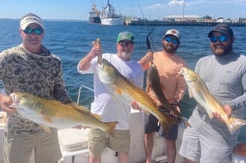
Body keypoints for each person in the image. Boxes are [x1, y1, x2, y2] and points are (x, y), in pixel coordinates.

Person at [0, 13, 71, 163]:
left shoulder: (54, 61)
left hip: (48, 127)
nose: (33, 35)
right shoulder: (7, 58)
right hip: (18, 130)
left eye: (37, 31)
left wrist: (75, 115)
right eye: (29, 30)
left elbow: (60, 92)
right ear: (21, 32)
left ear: (43, 33)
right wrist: (1, 98)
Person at [179, 24, 246, 163]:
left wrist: (231, 106)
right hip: (196, 121)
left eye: (223, 37)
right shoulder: (202, 62)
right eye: (213, 38)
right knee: (188, 159)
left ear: (232, 39)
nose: (217, 41)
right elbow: (197, 90)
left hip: (221, 130)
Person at [77, 31, 144, 163]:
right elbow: (81, 68)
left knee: (123, 154)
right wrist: (92, 54)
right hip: (99, 118)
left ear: (133, 46)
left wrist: (137, 104)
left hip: (122, 120)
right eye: (122, 43)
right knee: (95, 155)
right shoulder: (104, 60)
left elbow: (138, 93)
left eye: (129, 44)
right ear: (117, 45)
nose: (126, 46)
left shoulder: (137, 68)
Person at [138, 29, 187, 163]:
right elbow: (136, 70)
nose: (171, 42)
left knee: (170, 140)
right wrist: (145, 59)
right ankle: (148, 160)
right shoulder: (153, 56)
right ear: (163, 40)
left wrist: (176, 103)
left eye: (174, 40)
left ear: (178, 44)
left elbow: (182, 86)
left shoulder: (181, 63)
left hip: (170, 105)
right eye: (168, 39)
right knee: (148, 134)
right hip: (150, 102)